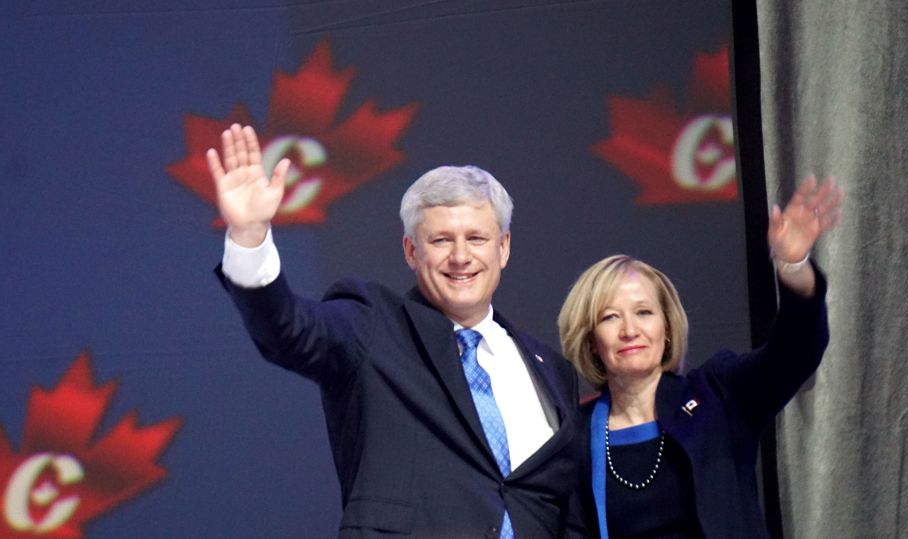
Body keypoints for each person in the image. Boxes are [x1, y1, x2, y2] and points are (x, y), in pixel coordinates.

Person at [207, 124, 587, 538]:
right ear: (411, 250)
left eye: (476, 238)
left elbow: (563, 508)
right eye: (441, 240)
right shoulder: (372, 327)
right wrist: (249, 236)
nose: (461, 256)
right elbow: (289, 329)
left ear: (504, 248)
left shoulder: (551, 371)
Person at [557, 175, 843, 538]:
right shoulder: (576, 434)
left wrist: (794, 266)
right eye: (610, 317)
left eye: (644, 312)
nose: (630, 329)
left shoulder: (719, 396)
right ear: (591, 340)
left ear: (667, 328)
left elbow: (794, 353)